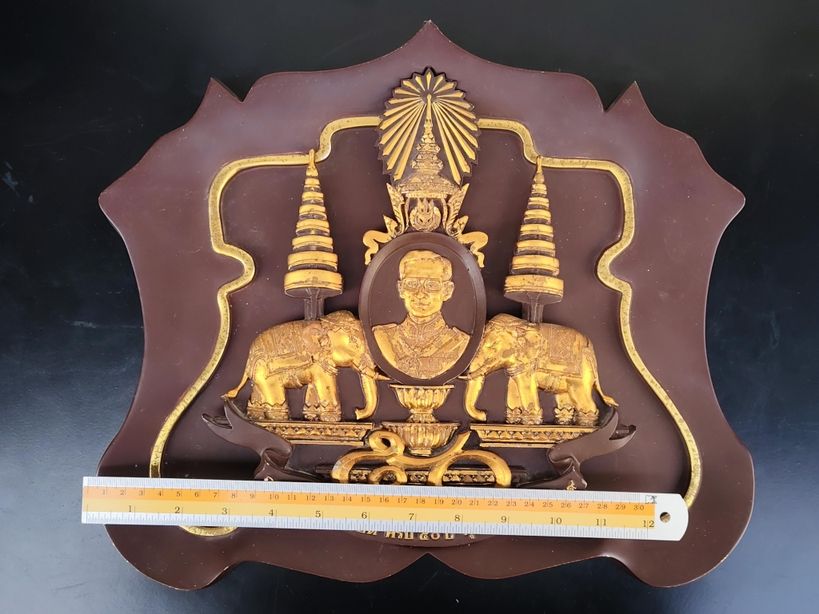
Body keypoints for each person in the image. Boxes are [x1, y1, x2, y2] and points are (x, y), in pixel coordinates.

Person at [373, 249, 469, 379]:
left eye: (431, 285)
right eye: (412, 284)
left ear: (447, 291)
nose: (420, 294)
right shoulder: (383, 337)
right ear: (401, 289)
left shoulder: (459, 342)